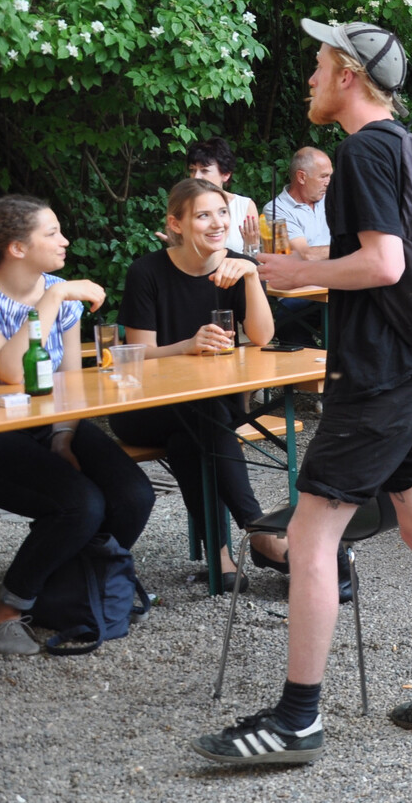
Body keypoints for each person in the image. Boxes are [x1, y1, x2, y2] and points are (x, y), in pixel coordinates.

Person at [197, 18, 412, 766]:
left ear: (351, 75)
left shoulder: (360, 151)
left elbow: (384, 264)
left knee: (311, 536)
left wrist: (295, 275)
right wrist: (273, 260)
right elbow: (380, 252)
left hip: (379, 378)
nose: (311, 81)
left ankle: (297, 718)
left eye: (320, 67)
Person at [0, 195, 153, 657]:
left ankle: (73, 587)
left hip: (49, 423)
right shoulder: (50, 294)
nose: (65, 241)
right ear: (17, 247)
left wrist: (63, 436)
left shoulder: (59, 292)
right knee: (80, 505)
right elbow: (11, 370)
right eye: (52, 233)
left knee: (134, 496)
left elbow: (71, 384)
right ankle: (7, 609)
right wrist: (54, 295)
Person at [112, 178, 284, 590]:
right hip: (145, 407)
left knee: (192, 437)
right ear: (177, 223)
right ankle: (259, 529)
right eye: (203, 215)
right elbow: (139, 353)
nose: (216, 223)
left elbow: (262, 337)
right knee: (202, 416)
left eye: (222, 212)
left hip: (211, 408)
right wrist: (188, 345)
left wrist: (250, 276)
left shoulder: (236, 265)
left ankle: (221, 560)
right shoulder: (148, 271)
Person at [185, 137, 262, 254]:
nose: (196, 177)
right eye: (192, 170)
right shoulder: (185, 205)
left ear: (225, 174)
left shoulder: (244, 206)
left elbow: (255, 258)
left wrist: (251, 247)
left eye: (204, 171)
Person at [263, 147, 333, 260]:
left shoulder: (331, 197)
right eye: (323, 176)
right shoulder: (276, 209)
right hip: (306, 275)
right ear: (301, 177)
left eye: (330, 176)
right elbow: (305, 255)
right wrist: (349, 247)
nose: (328, 183)